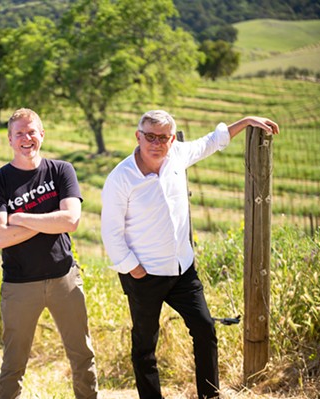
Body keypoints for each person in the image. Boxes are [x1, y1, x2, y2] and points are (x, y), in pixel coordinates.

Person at [100, 110, 279, 399]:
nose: (156, 143)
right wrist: (134, 269)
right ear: (138, 136)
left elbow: (210, 141)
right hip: (144, 275)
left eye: (163, 137)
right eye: (150, 136)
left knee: (205, 329)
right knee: (145, 344)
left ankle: (209, 396)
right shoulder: (120, 178)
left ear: (172, 139)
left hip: (183, 270)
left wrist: (244, 121)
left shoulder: (178, 155)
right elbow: (110, 231)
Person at [0, 108, 98, 399]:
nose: (26, 138)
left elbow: (71, 220)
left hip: (64, 279)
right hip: (20, 285)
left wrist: (20, 217)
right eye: (19, 133)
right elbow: (0, 237)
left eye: (32, 131)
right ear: (10, 139)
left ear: (42, 135)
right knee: (13, 364)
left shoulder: (62, 170)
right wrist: (50, 219)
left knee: (82, 357)